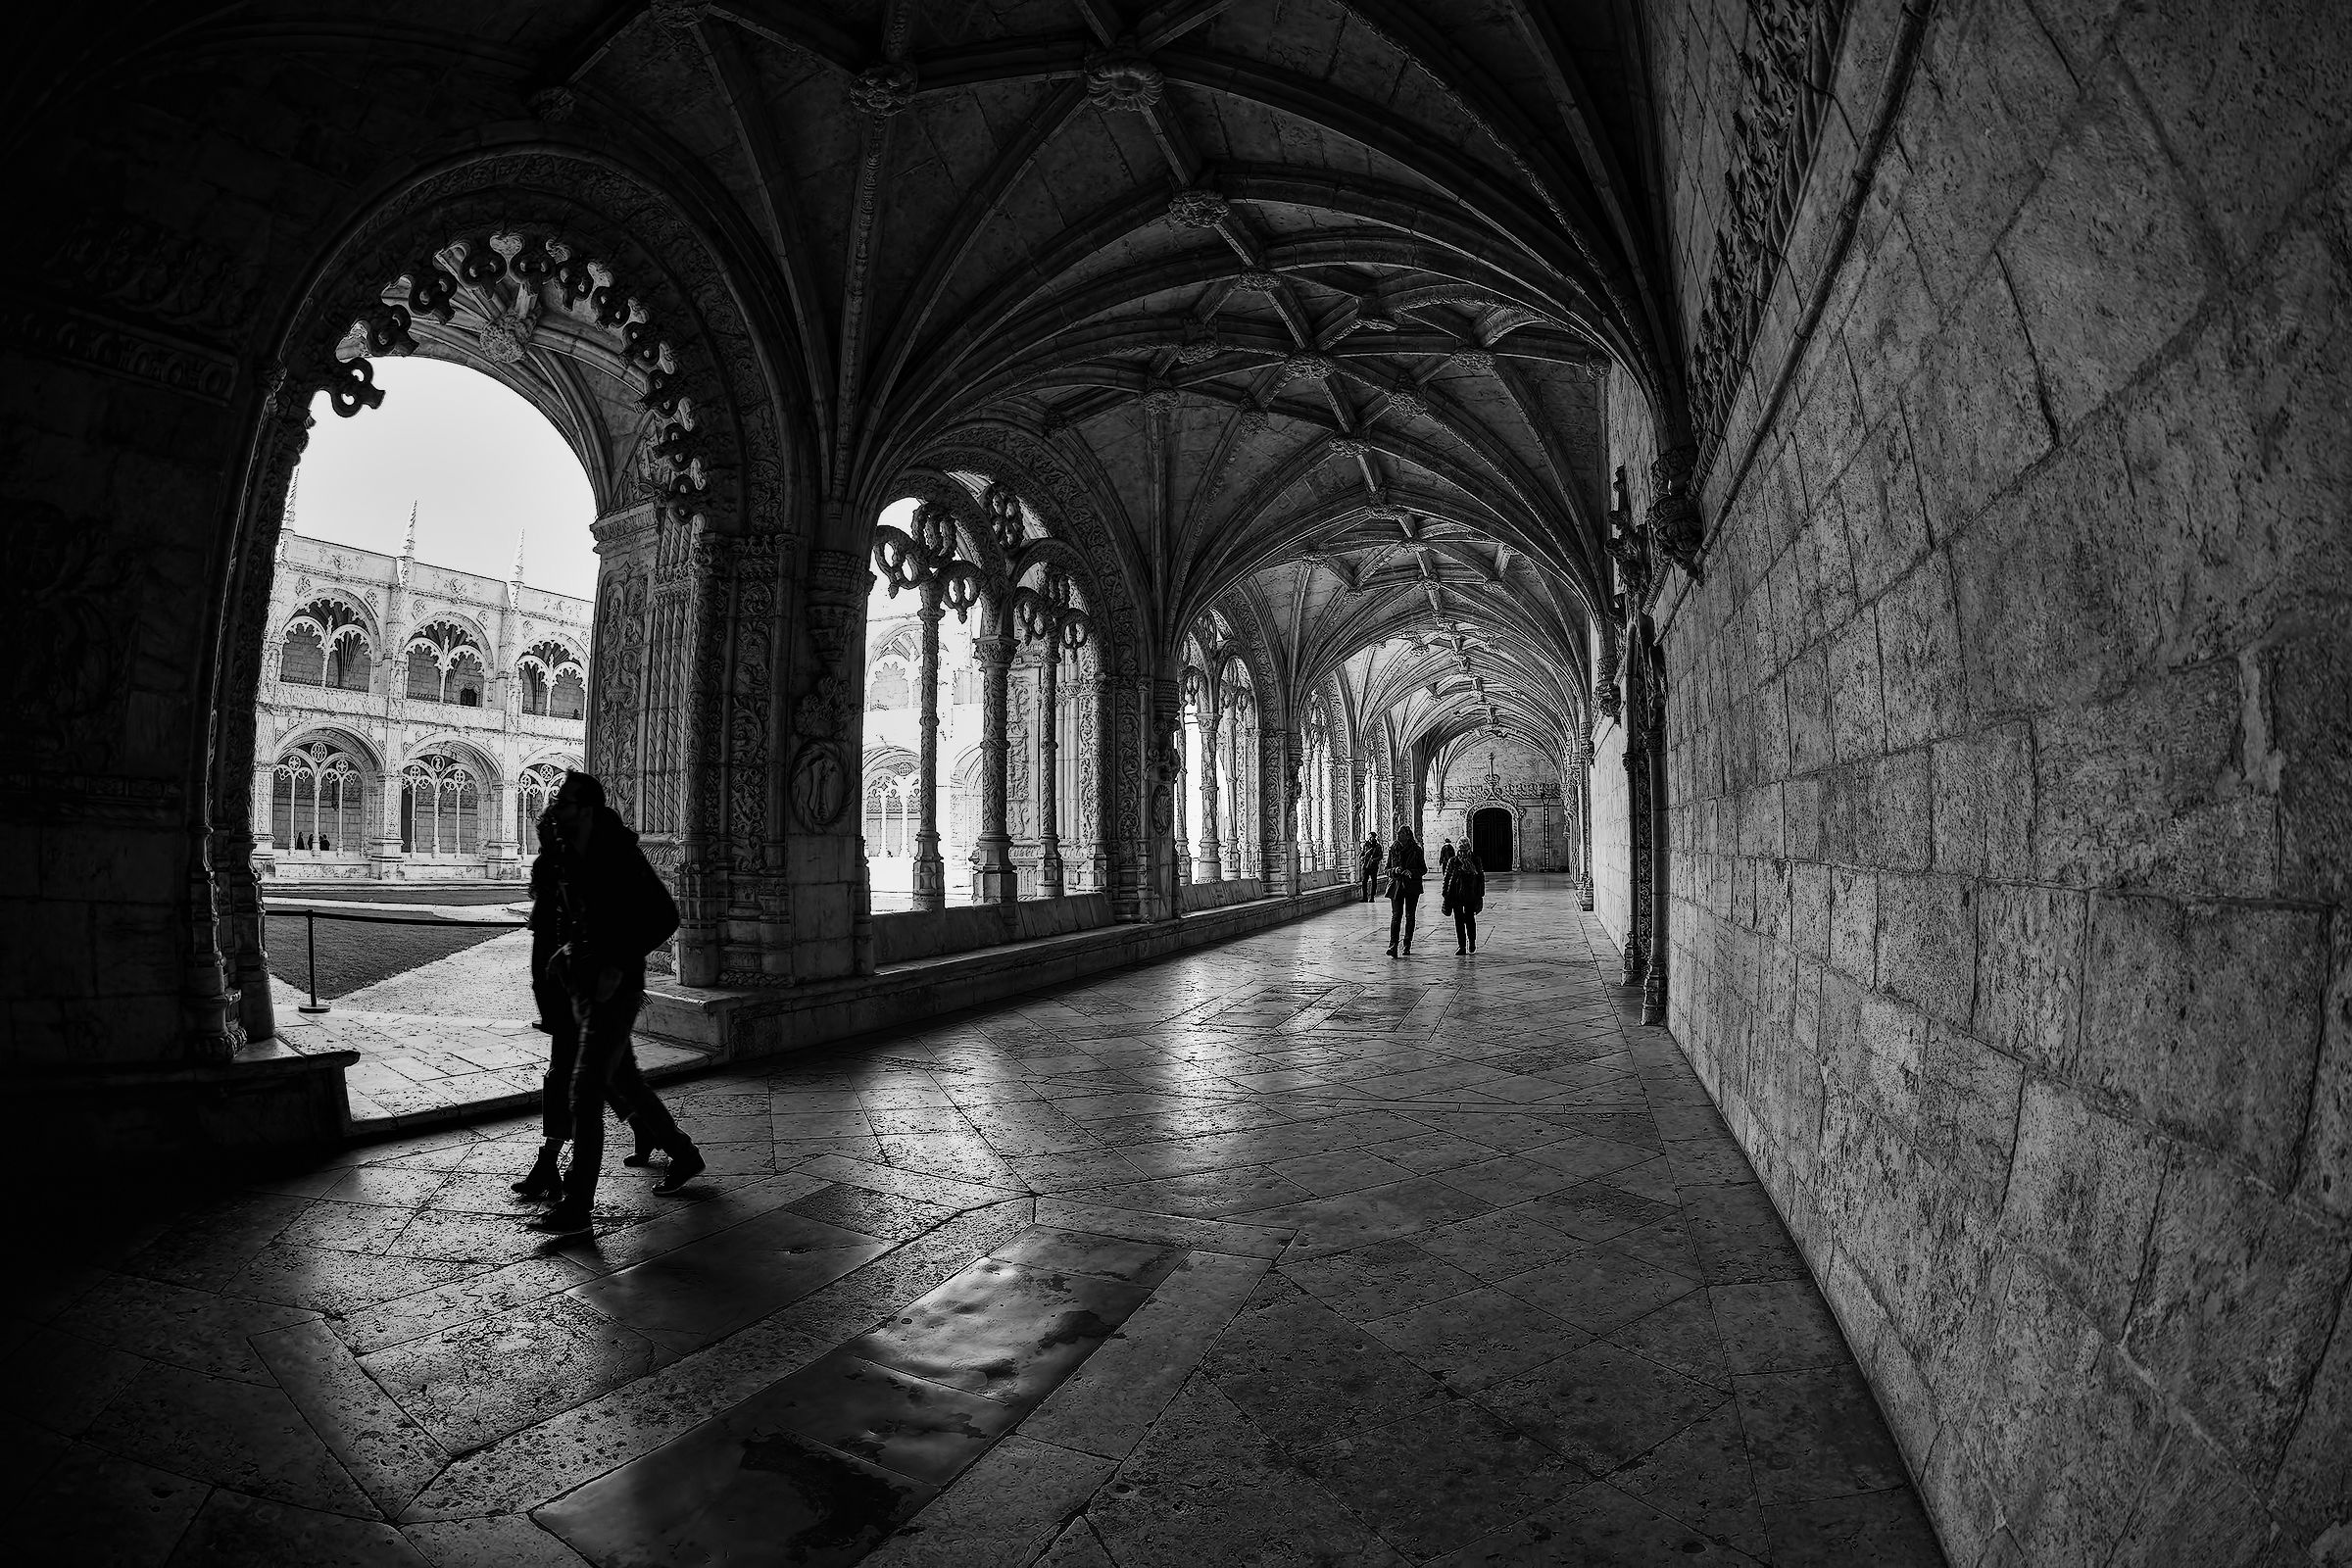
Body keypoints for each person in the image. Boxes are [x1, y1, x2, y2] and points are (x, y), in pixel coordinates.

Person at [519, 770, 704, 1237]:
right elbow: (570, 918)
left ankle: (578, 1204)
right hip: (583, 986)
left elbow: (665, 916)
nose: (555, 809)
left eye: (564, 802)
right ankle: (683, 1153)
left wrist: (617, 965)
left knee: (583, 1091)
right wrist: (566, 953)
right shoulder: (566, 856)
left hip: (616, 988)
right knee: (625, 1083)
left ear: (586, 809)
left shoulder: (618, 854)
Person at [1384, 825, 1426, 956]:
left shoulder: (1416, 850)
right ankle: (1393, 945)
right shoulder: (1393, 849)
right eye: (1398, 832)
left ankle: (1407, 945)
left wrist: (1411, 872)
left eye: (1401, 833)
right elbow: (1386, 869)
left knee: (1409, 916)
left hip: (1412, 886)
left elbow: (1423, 869)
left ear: (1408, 836)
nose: (1398, 834)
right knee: (1396, 916)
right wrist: (1394, 871)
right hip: (1396, 886)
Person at [1445, 845, 1486, 955]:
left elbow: (1480, 878)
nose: (1462, 853)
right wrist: (1445, 894)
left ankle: (1472, 942)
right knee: (1458, 921)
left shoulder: (1475, 860)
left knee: (1470, 919)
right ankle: (1461, 946)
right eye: (1460, 851)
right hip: (1456, 894)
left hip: (1470, 894)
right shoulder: (1453, 861)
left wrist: (1480, 894)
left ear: (1469, 850)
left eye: (1465, 851)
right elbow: (1447, 877)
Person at [1357, 833, 1384, 903]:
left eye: (1371, 837)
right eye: (1369, 837)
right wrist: (1361, 857)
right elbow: (1363, 852)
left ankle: (1372, 897)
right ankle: (1365, 897)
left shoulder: (1378, 846)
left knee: (1374, 881)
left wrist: (1374, 860)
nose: (1369, 839)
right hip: (1365, 865)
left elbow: (1380, 856)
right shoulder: (1366, 845)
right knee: (1364, 881)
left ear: (1374, 838)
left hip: (1373, 866)